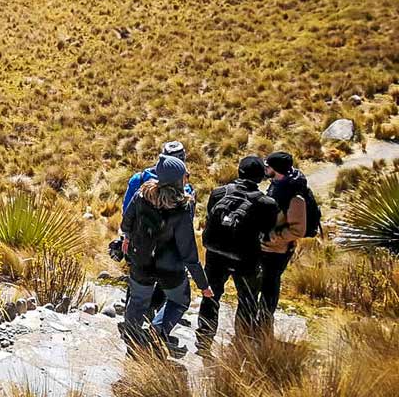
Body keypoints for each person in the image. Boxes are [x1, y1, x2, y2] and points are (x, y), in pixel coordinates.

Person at [119, 154, 214, 357]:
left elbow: (126, 222)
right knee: (179, 301)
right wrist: (203, 284)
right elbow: (188, 251)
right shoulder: (182, 207)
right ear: (179, 179)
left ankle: (134, 341)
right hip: (170, 268)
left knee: (137, 301)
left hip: (142, 260)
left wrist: (127, 238)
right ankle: (157, 332)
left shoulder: (142, 195)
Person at [196, 156, 277, 356]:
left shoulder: (218, 193)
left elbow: (209, 219)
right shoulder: (267, 204)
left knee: (211, 296)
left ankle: (203, 342)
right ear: (260, 177)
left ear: (239, 172)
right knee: (247, 300)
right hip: (246, 259)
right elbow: (268, 235)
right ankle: (242, 345)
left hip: (215, 255)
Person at [116, 141, 194, 321]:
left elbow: (127, 211)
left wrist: (126, 237)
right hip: (168, 252)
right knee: (163, 287)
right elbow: (186, 224)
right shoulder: (186, 190)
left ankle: (132, 323)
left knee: (138, 283)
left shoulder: (140, 179)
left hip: (139, 244)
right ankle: (153, 323)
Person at [261, 152, 318, 322]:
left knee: (270, 285)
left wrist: (273, 237)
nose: (265, 169)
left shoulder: (294, 197)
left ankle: (265, 320)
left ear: (276, 169)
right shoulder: (277, 185)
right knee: (263, 283)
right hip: (267, 246)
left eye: (268, 166)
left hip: (278, 249)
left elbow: (298, 230)